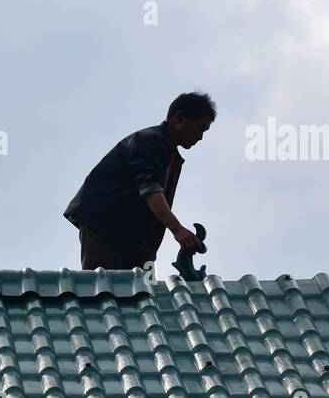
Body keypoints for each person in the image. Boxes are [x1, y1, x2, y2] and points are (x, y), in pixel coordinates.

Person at [64, 92, 215, 271]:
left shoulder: (172, 156)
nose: (200, 136)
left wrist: (148, 254)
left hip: (133, 239)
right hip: (106, 226)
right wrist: (178, 229)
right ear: (179, 118)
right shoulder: (150, 140)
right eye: (198, 128)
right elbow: (151, 191)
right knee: (105, 288)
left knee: (141, 292)